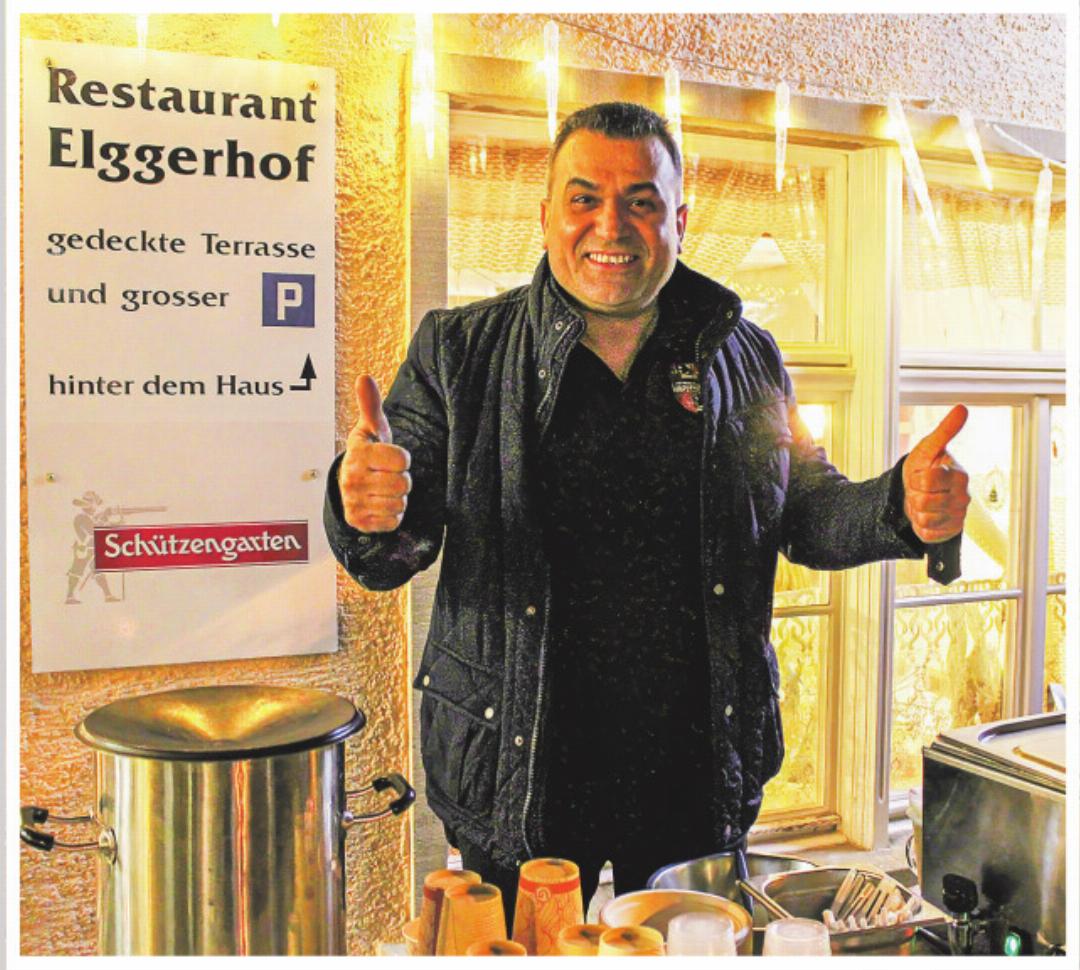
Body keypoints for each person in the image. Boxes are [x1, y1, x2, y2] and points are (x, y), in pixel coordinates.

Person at [325, 102, 969, 918]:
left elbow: (804, 507)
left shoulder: (742, 354)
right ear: (546, 215)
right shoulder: (459, 351)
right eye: (584, 199)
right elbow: (393, 540)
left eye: (641, 202)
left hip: (691, 772)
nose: (611, 226)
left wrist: (899, 505)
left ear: (680, 221)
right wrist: (366, 507)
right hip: (517, 768)